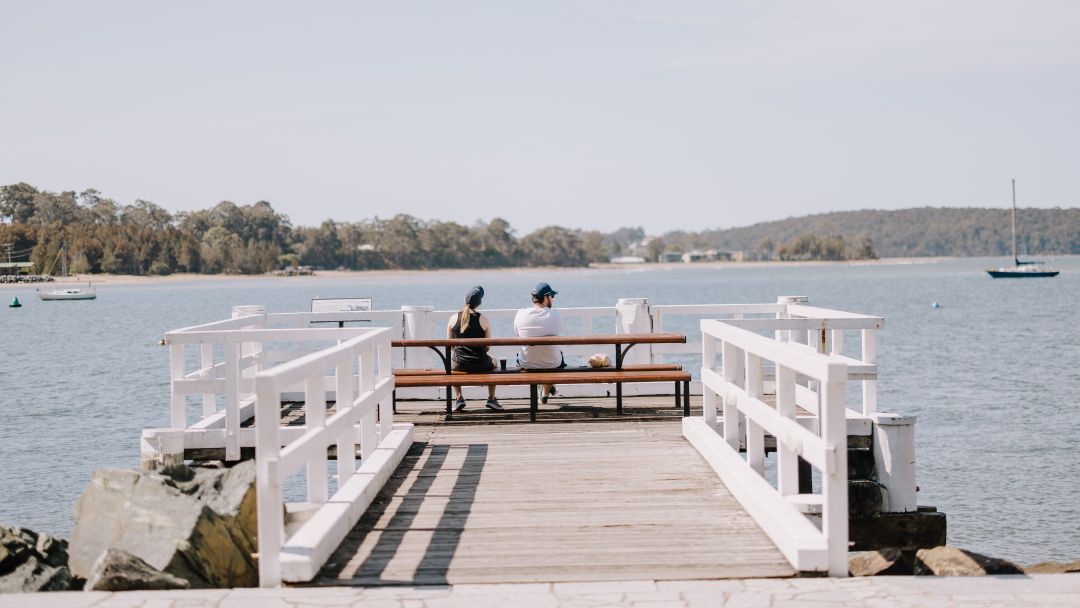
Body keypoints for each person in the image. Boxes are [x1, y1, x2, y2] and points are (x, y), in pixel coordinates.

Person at [447, 285, 502, 411]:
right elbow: (487, 347)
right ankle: (491, 399)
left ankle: (459, 397)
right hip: (480, 363)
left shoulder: (452, 318)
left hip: (459, 364)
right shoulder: (483, 319)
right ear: (479, 303)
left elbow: (451, 346)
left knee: (452, 363)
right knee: (494, 361)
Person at [513, 282, 564, 403]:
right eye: (552, 296)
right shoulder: (555, 315)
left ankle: (546, 390)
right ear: (546, 297)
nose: (552, 299)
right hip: (552, 363)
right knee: (554, 357)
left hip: (527, 363)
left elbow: (517, 334)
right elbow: (559, 330)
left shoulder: (520, 314)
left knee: (535, 355)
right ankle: (546, 390)